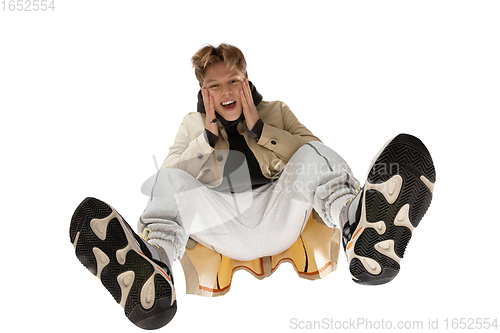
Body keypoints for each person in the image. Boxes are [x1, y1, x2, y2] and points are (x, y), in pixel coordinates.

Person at [69, 43, 436, 330]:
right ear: (203, 90)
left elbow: (318, 153)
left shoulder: (276, 111)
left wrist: (261, 129)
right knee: (169, 180)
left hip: (280, 214)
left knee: (312, 154)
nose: (225, 91)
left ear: (246, 79)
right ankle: (156, 263)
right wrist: (207, 139)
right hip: (222, 223)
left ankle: (357, 227)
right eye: (214, 85)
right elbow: (169, 176)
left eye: (233, 81)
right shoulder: (191, 125)